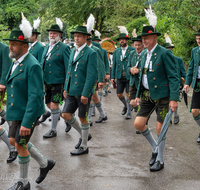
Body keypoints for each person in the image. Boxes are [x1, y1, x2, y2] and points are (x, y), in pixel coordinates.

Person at [4, 22, 55, 189]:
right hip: (17, 110)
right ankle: (44, 163)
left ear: (24, 46)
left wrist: (27, 122)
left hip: (28, 113)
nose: (10, 47)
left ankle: (23, 182)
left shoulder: (32, 65)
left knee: (20, 144)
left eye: (14, 44)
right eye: (9, 44)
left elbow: (35, 96)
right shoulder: (16, 61)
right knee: (13, 140)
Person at [134, 23, 179, 172]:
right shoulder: (143, 55)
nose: (144, 41)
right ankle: (155, 147)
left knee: (160, 128)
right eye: (143, 38)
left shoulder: (164, 53)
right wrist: (137, 95)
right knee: (139, 124)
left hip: (163, 96)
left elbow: (174, 77)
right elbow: (141, 76)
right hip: (147, 95)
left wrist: (174, 98)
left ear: (154, 37)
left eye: (147, 38)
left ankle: (160, 159)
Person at [62, 26, 97, 155]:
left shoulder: (91, 53)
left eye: (79, 36)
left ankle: (84, 146)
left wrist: (86, 93)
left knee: (83, 117)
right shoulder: (72, 51)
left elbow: (91, 75)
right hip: (72, 90)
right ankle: (84, 134)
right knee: (65, 114)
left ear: (85, 37)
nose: (76, 38)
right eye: (75, 36)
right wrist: (65, 88)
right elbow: (69, 72)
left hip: (82, 91)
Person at [40, 18, 71, 138]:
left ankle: (53, 130)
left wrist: (67, 86)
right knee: (49, 105)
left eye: (54, 33)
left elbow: (68, 67)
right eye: (50, 33)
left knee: (54, 105)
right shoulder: (46, 47)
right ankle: (67, 117)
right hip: (47, 82)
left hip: (58, 82)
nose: (52, 35)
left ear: (59, 35)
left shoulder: (64, 48)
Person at [0, 30, 17, 163]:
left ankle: (12, 147)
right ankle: (13, 126)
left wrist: (2, 83)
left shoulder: (4, 47)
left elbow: (7, 66)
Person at [111, 26, 135, 119]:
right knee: (119, 94)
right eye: (120, 40)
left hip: (129, 76)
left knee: (128, 94)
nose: (121, 41)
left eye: (123, 39)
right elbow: (114, 64)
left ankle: (129, 112)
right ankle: (126, 105)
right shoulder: (116, 51)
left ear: (127, 40)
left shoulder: (132, 50)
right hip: (119, 76)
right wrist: (113, 77)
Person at [163, 34, 186, 125]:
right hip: (166, 83)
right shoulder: (163, 60)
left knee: (175, 99)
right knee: (167, 100)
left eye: (170, 49)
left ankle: (176, 115)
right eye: (167, 49)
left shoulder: (178, 60)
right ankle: (169, 117)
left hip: (176, 83)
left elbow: (183, 72)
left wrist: (185, 82)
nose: (170, 51)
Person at [87, 36, 107, 126]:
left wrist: (101, 80)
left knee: (90, 97)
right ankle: (103, 114)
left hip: (93, 77)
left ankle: (89, 119)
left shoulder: (95, 49)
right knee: (94, 96)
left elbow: (100, 66)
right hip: (85, 78)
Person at [184, 29, 200, 143]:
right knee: (194, 111)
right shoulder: (195, 51)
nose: (198, 41)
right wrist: (187, 83)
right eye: (197, 39)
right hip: (198, 84)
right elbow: (190, 69)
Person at [127, 33, 144, 134]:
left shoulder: (146, 53)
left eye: (139, 45)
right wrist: (131, 69)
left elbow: (148, 68)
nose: (137, 47)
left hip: (142, 83)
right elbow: (128, 66)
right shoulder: (132, 54)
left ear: (142, 44)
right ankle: (142, 116)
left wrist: (139, 70)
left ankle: (141, 123)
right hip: (133, 82)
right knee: (132, 102)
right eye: (135, 45)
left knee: (142, 103)